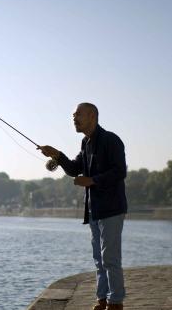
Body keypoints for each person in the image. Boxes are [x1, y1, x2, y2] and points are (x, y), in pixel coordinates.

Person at [38, 102, 127, 310]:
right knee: (99, 258)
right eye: (73, 115)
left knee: (110, 258)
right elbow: (74, 168)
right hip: (94, 210)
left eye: (78, 114)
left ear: (92, 117)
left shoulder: (111, 140)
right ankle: (102, 299)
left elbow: (119, 171)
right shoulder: (85, 143)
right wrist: (56, 154)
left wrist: (92, 180)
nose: (74, 117)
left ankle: (116, 302)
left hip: (112, 208)